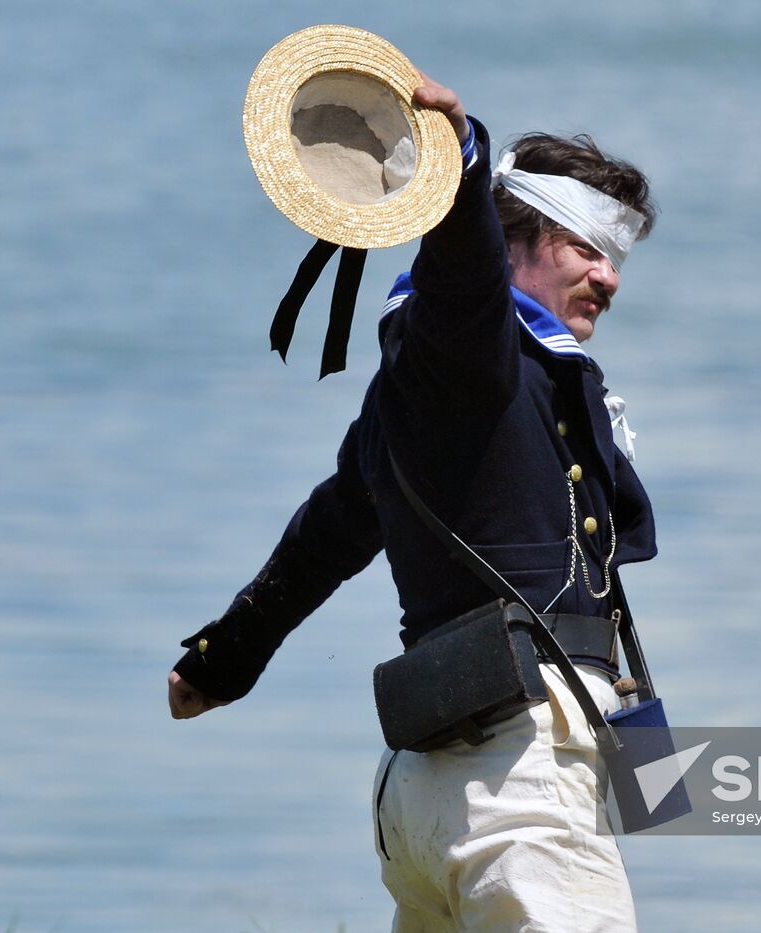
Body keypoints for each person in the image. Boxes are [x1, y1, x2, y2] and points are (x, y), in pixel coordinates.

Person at [167, 75, 658, 933]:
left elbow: (330, 531)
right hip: (517, 788)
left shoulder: (433, 388)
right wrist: (461, 159)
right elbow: (464, 277)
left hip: (430, 791)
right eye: (588, 246)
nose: (609, 276)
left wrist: (222, 659)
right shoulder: (464, 348)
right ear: (517, 241)